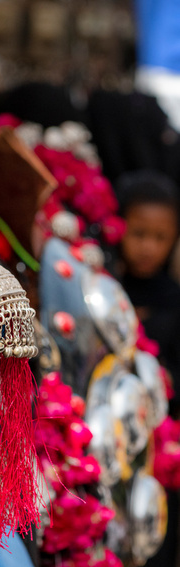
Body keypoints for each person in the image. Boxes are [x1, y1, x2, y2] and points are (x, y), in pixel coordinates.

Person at [116, 169, 180, 418]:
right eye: (139, 234)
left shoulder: (172, 298)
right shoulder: (106, 286)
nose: (148, 248)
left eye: (160, 237)